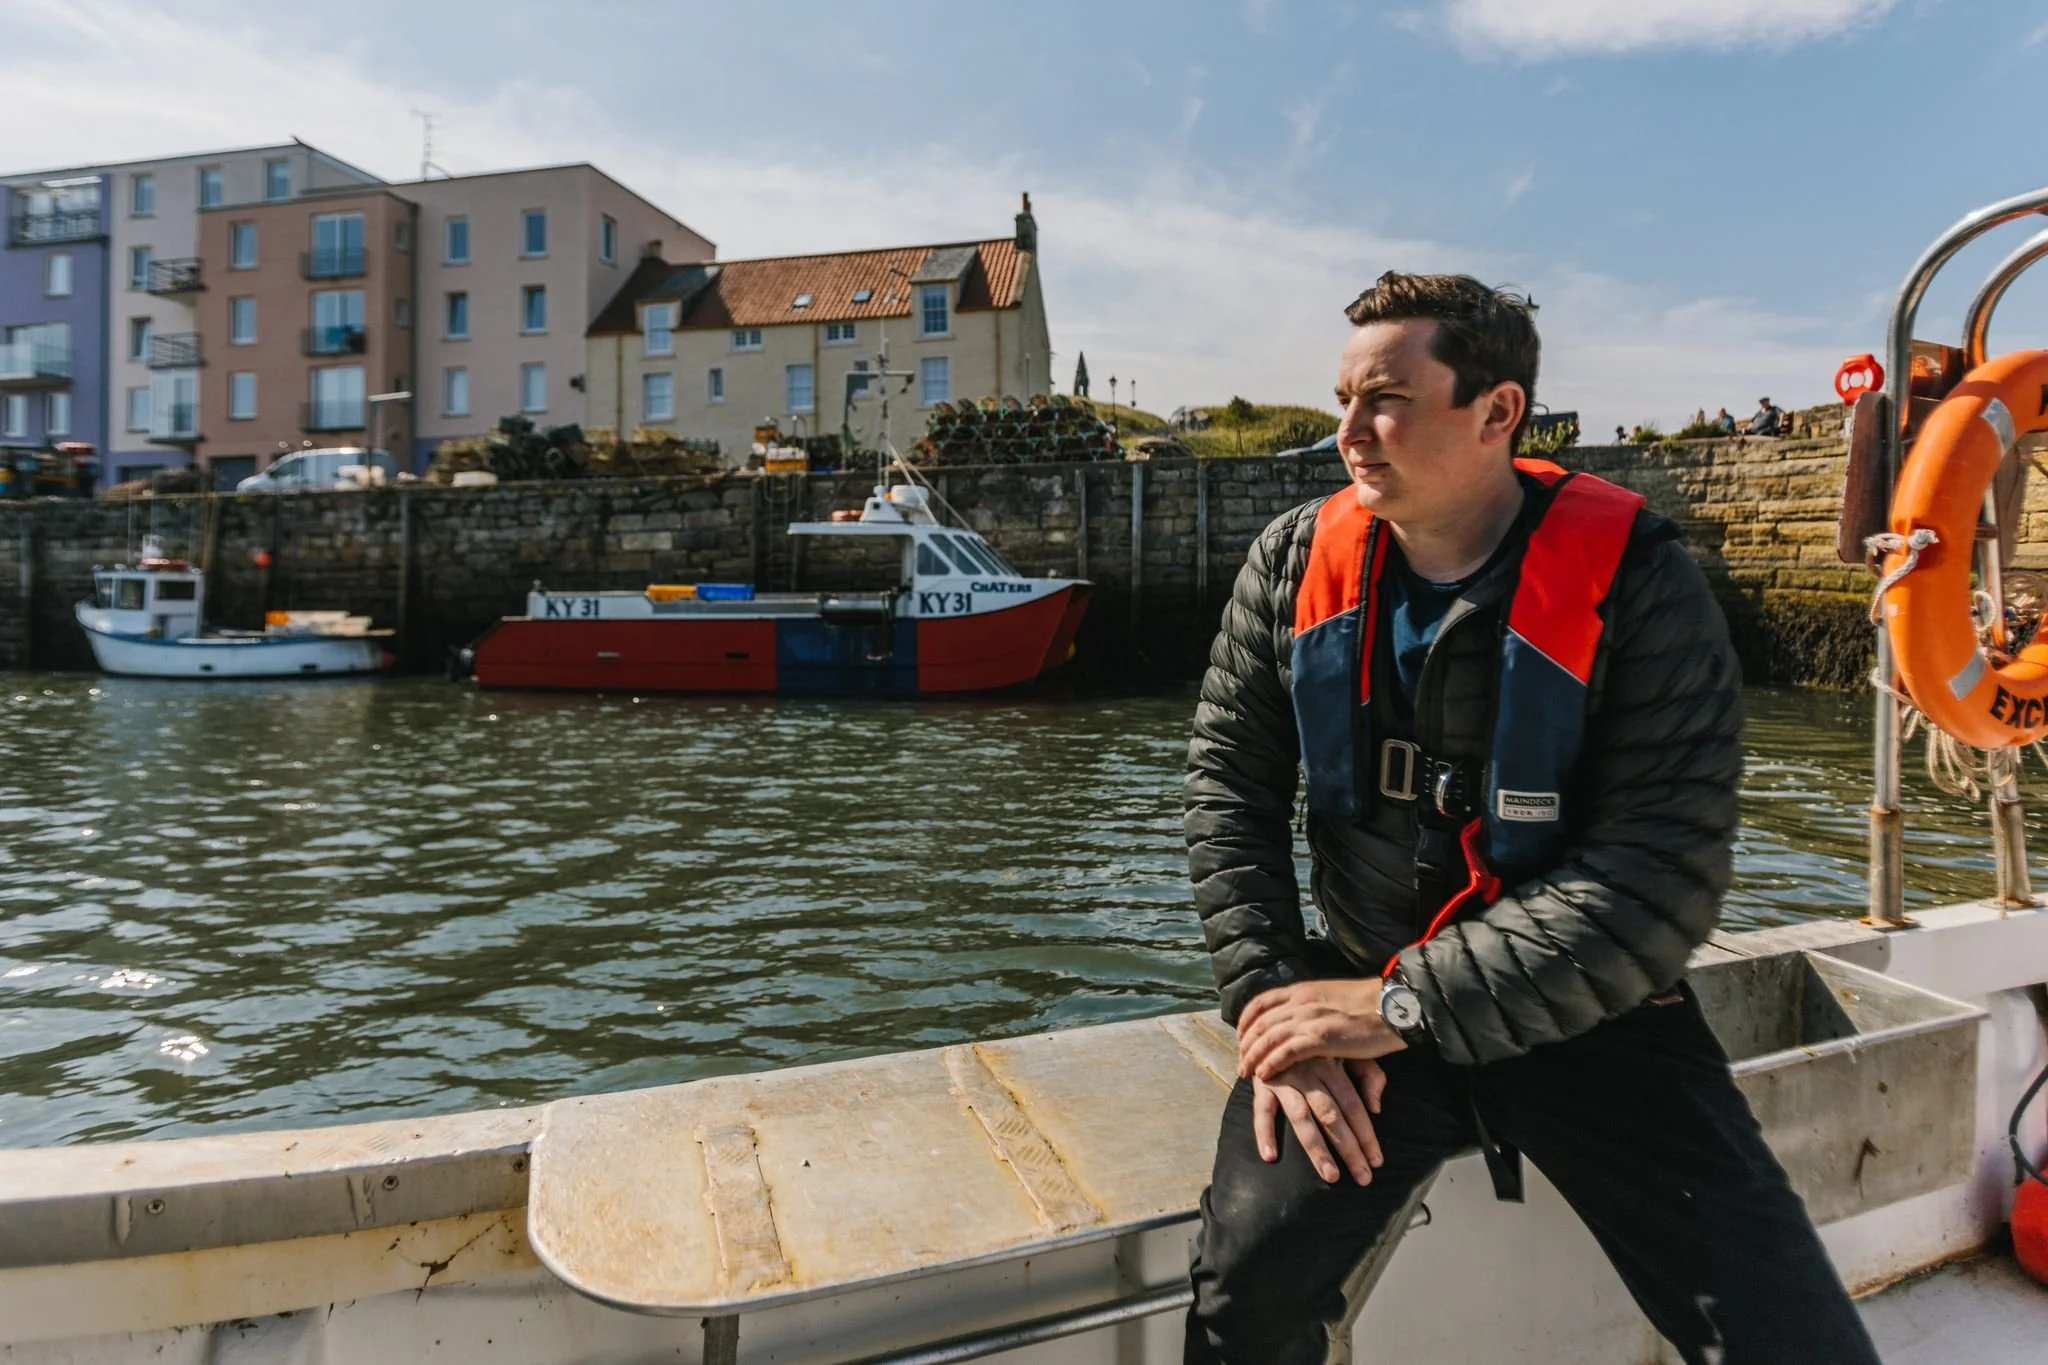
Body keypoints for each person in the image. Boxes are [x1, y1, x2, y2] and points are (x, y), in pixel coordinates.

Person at [1181, 271, 1879, 1365]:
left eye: (1387, 400)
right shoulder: (1289, 564)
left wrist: (1402, 1006)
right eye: (1342, 400)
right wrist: (1275, 1000)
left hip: (1588, 1016)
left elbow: (1656, 881)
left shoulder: (1638, 584)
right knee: (1245, 1294)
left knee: (1788, 1338)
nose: (1348, 433)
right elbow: (1228, 787)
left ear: (1497, 411)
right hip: (1357, 990)